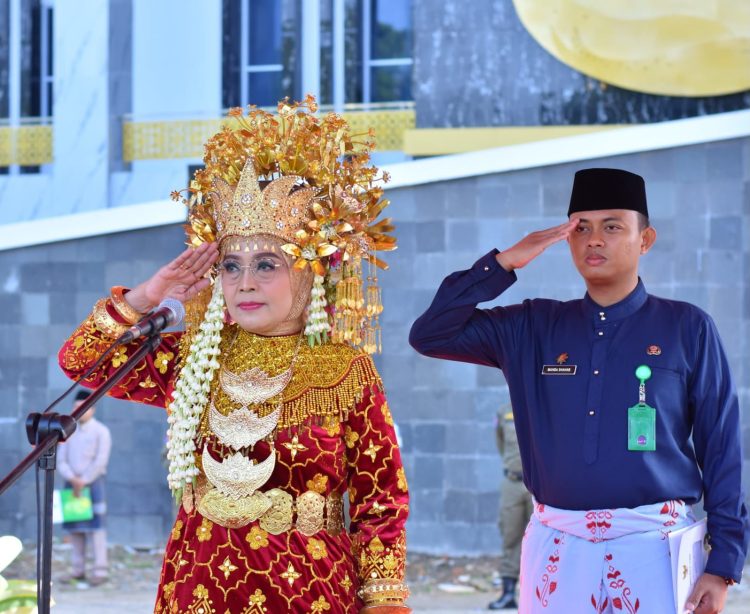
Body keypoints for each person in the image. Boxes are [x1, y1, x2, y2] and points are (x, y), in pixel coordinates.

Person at [58, 97, 410, 613]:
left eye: (266, 264)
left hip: (308, 592)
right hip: (196, 587)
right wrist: (147, 296)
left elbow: (381, 502)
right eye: (230, 266)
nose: (244, 283)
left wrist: (384, 602)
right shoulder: (197, 359)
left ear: (308, 272)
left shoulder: (345, 370)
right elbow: (81, 362)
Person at [409, 168, 749, 614]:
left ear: (644, 240)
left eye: (612, 226)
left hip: (656, 551)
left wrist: (722, 563)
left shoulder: (687, 327)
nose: (594, 239)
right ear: (566, 240)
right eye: (581, 228)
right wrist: (505, 262)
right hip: (557, 551)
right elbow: (430, 334)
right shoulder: (533, 326)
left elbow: (721, 448)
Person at [57, 389, 112, 586]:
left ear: (92, 409)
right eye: (75, 408)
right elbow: (61, 459)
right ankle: (77, 570)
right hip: (71, 485)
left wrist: (84, 479)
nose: (79, 411)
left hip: (93, 484)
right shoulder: (67, 431)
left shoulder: (101, 432)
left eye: (83, 408)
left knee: (96, 529)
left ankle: (100, 570)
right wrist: (73, 478)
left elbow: (101, 461)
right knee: (75, 529)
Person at [488, 405, 532, 610]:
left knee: (542, 538)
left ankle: (539, 593)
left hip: (538, 485)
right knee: (510, 534)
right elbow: (501, 443)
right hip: (512, 483)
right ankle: (508, 593)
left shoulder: (542, 405)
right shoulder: (504, 411)